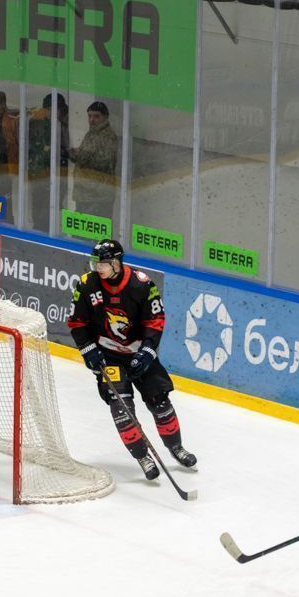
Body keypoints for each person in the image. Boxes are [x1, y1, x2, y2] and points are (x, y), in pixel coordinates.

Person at [67, 239, 197, 480]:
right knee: (122, 408)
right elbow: (77, 322)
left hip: (138, 352)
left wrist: (147, 351)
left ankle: (176, 447)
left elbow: (155, 320)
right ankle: (143, 457)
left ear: (116, 263)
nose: (98, 268)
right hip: (108, 357)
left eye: (103, 263)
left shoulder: (141, 284)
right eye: (96, 263)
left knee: (160, 401)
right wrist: (88, 349)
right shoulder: (87, 285)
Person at [26, 93, 70, 232]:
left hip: (58, 175)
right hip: (40, 174)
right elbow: (28, 147)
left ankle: (50, 232)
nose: (54, 112)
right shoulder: (36, 123)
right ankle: (39, 232)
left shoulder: (65, 125)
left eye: (58, 109)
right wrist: (43, 152)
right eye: (50, 109)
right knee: (39, 210)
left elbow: (66, 149)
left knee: (55, 209)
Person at [68, 101, 119, 219]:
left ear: (105, 117)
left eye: (96, 116)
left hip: (97, 196)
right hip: (87, 194)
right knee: (82, 228)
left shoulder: (107, 136)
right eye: (90, 116)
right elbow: (87, 152)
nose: (92, 120)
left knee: (93, 228)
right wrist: (76, 153)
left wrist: (80, 156)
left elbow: (104, 162)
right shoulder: (92, 133)